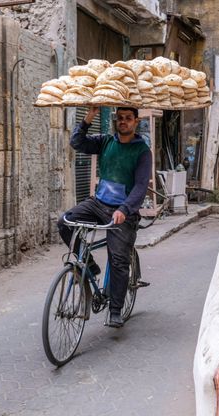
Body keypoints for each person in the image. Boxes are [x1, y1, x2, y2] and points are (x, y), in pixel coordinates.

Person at [57, 107, 151, 328]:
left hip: (123, 213)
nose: (124, 122)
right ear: (116, 120)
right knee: (65, 222)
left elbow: (140, 187)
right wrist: (90, 116)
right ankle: (88, 264)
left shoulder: (142, 152)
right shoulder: (106, 142)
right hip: (98, 204)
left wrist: (125, 209)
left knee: (119, 259)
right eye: (120, 118)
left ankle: (116, 309)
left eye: (128, 118)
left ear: (136, 121)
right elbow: (77, 142)